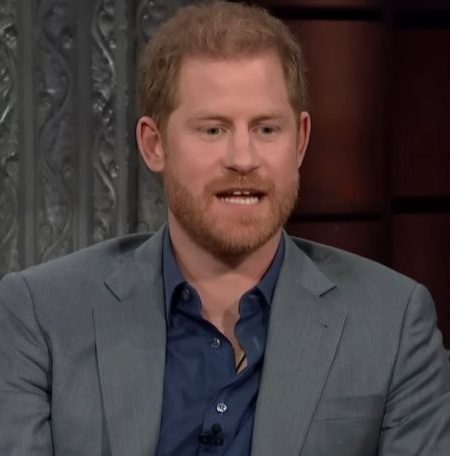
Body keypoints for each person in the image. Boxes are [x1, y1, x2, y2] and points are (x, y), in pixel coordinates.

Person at [1, 1, 449, 455]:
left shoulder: (392, 324)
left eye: (266, 129)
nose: (243, 158)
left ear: (300, 141)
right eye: (213, 130)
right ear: (154, 145)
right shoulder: (41, 314)